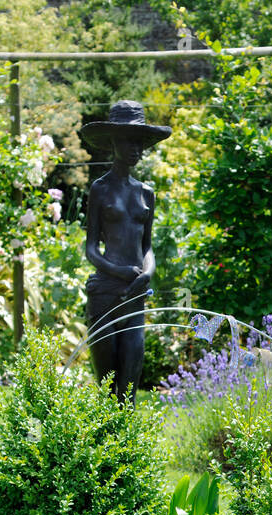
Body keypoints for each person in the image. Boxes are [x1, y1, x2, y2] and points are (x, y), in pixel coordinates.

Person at [79, 101, 171, 402]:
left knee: (130, 384)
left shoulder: (146, 193)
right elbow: (90, 247)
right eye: (128, 141)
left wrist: (148, 272)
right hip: (105, 292)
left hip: (135, 296)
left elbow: (147, 246)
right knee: (107, 385)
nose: (135, 149)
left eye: (140, 142)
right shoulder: (100, 189)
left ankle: (126, 448)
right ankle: (103, 446)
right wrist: (119, 271)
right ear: (113, 143)